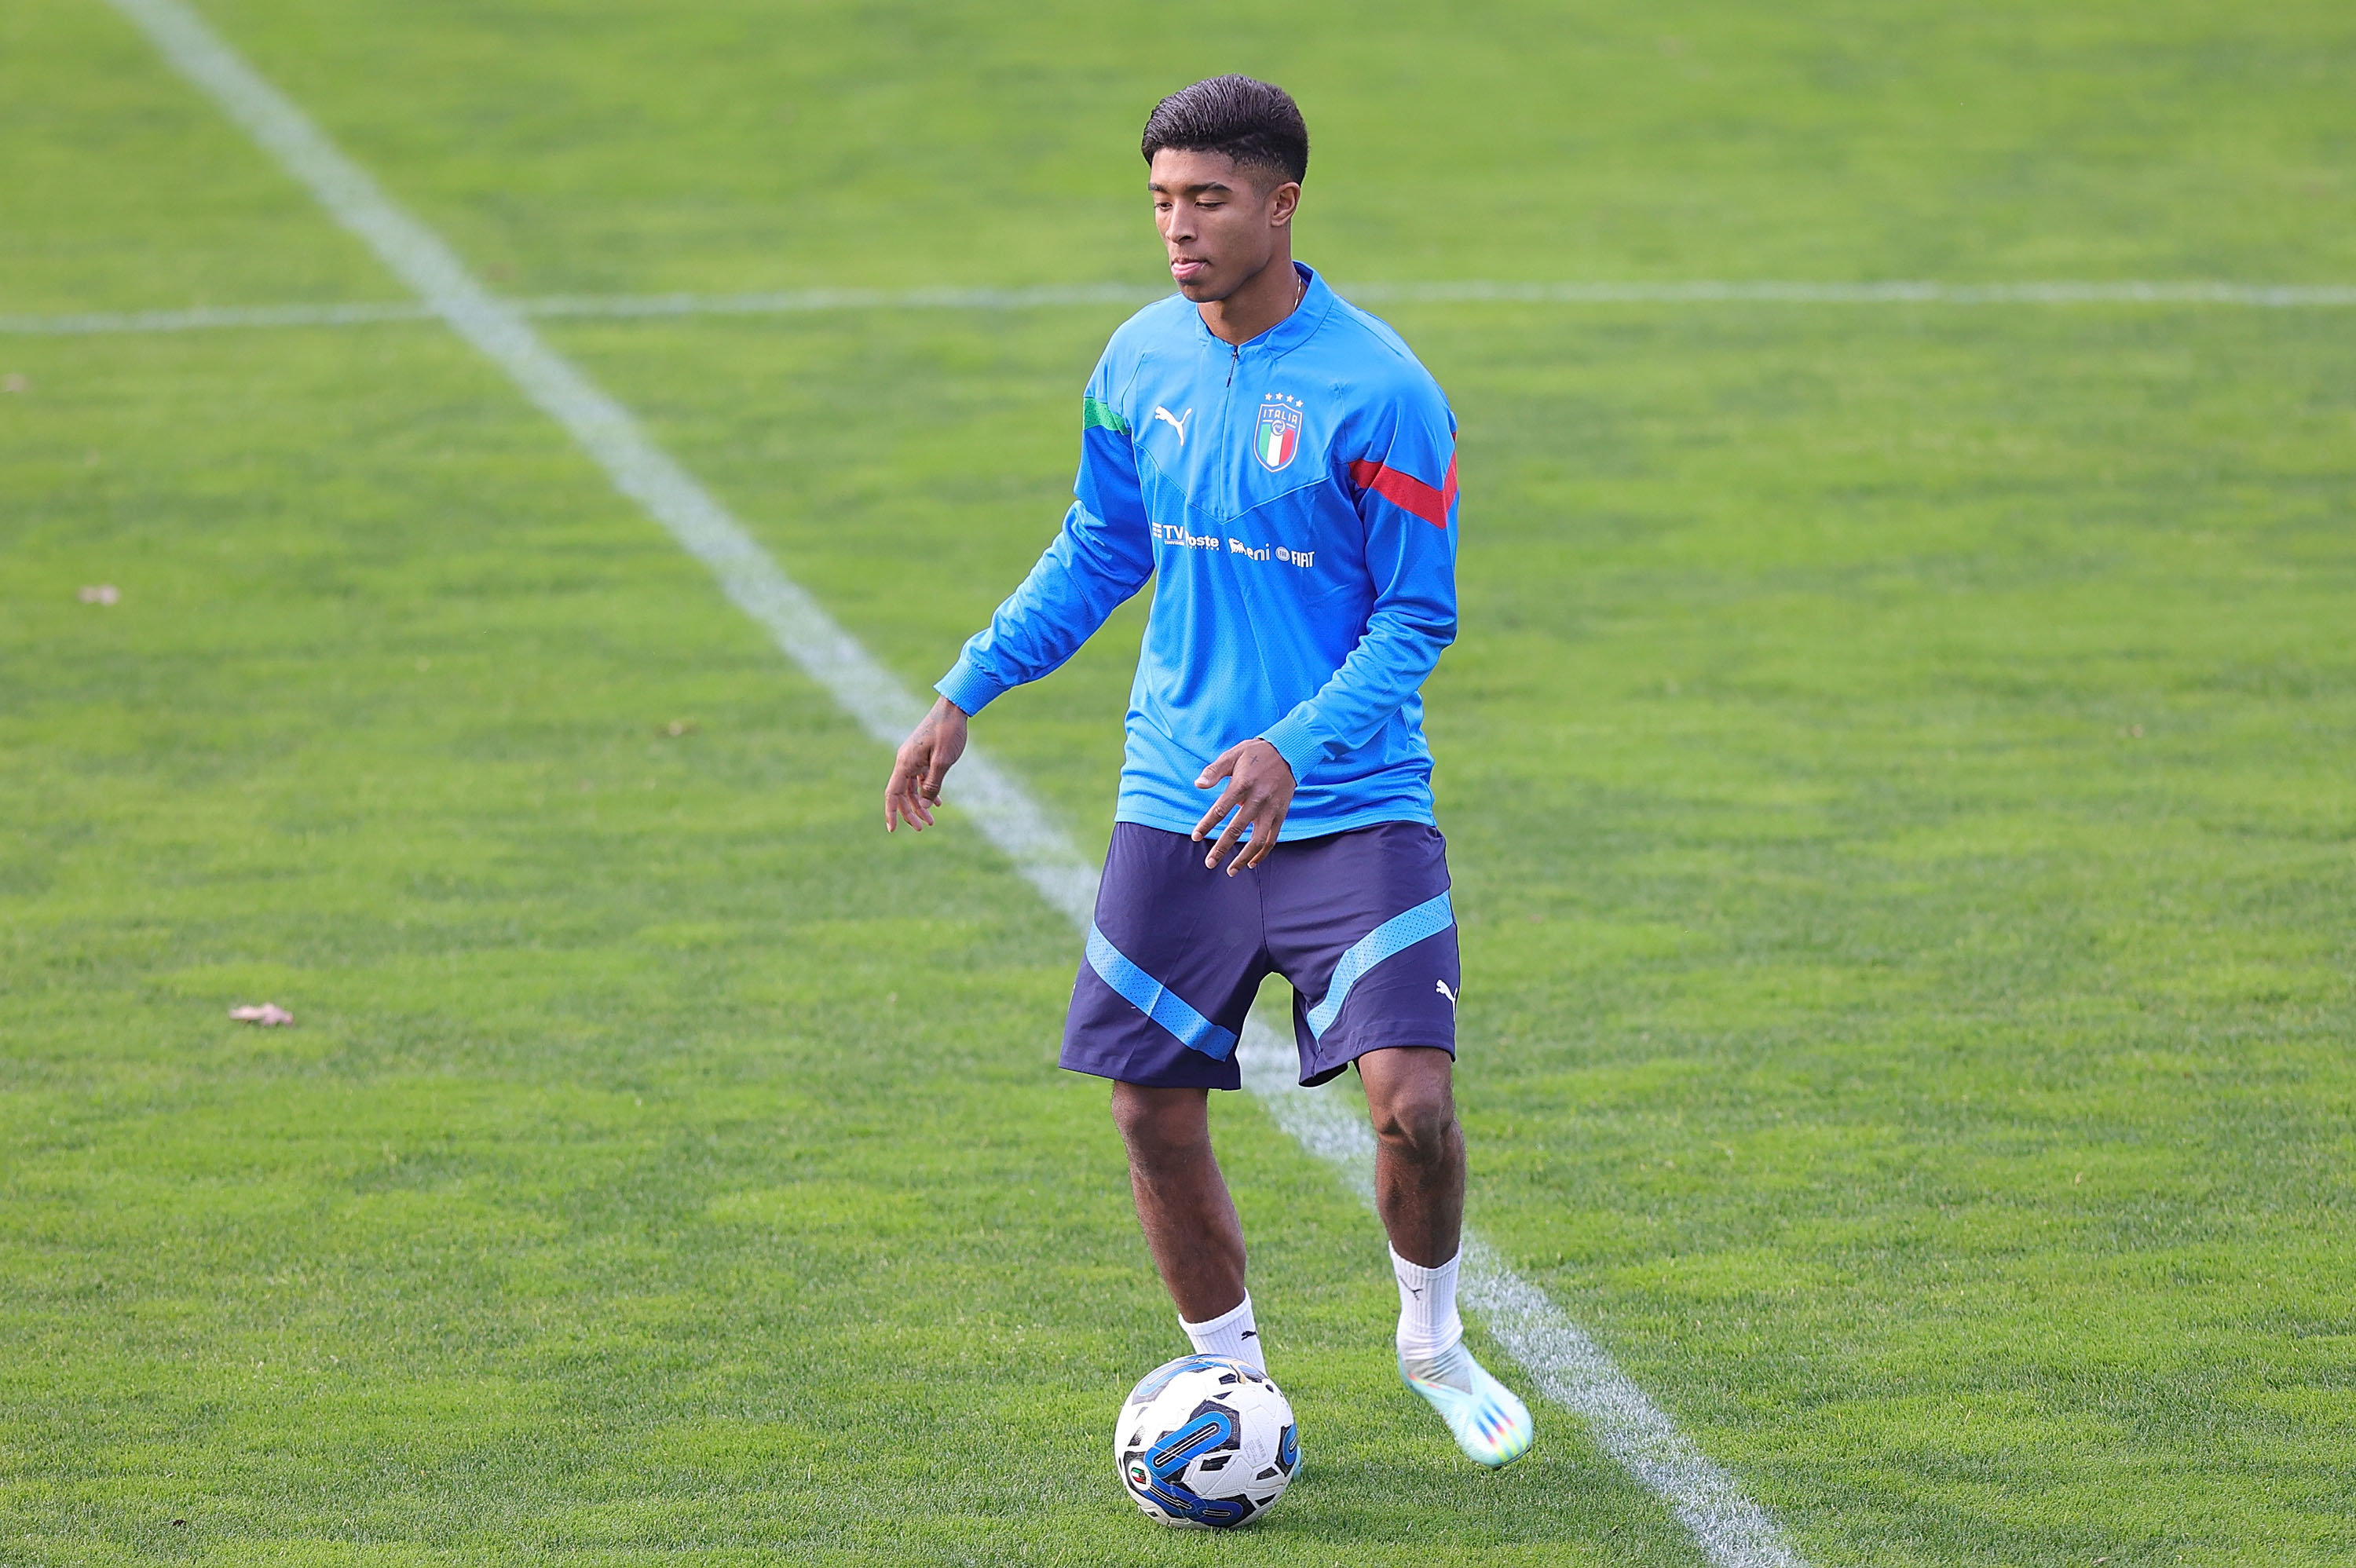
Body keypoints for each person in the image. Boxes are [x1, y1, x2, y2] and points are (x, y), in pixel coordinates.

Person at [884, 74, 1533, 1468]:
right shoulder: (1137, 362)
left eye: (1208, 200)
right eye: (1162, 201)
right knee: (1148, 1105)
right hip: (1179, 795)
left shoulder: (1384, 393)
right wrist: (965, 687)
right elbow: (1100, 545)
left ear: (1281, 205)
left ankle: (1431, 1334)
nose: (1178, 227)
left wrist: (1295, 747)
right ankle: (1231, 1388)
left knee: (1414, 1107)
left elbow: (1417, 618)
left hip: (1351, 802)